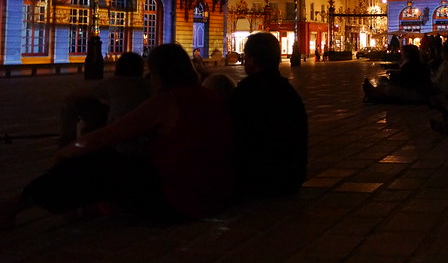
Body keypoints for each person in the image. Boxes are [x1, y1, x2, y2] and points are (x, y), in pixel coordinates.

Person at [0, 44, 234, 229]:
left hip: (180, 201)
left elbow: (104, 138)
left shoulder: (167, 101)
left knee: (94, 163)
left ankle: (13, 207)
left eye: (152, 73)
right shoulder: (206, 95)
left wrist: (68, 150)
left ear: (159, 74)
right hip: (216, 195)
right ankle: (86, 206)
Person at [228, 33, 308, 198]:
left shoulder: (247, 93)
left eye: (246, 56)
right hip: (289, 180)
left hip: (256, 182)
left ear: (252, 58)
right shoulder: (288, 93)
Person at [58, 51, 152, 149]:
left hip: (119, 140)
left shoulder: (116, 83)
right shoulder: (149, 85)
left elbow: (79, 95)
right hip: (146, 140)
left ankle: (67, 142)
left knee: (79, 103)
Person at [362, 44, 432, 104]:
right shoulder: (413, 63)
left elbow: (405, 81)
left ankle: (374, 90)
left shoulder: (412, 65)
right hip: (415, 90)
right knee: (383, 80)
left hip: (416, 92)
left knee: (389, 89)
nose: (401, 53)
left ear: (407, 53)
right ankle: (376, 91)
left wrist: (393, 77)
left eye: (402, 52)